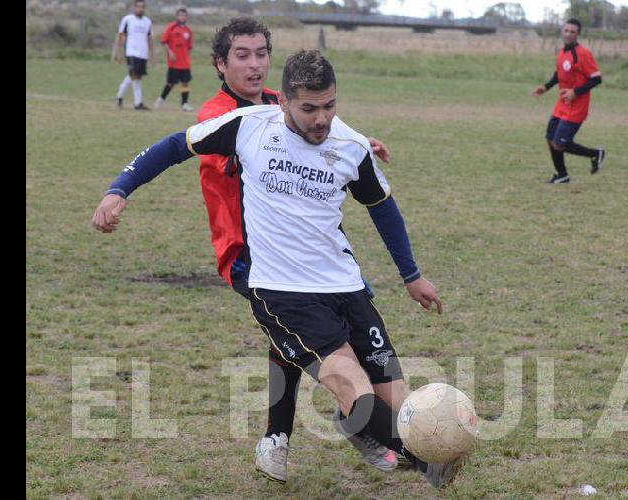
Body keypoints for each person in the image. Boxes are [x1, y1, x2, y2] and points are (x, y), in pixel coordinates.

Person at [93, 49, 464, 489]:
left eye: (329, 105)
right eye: (309, 108)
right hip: (281, 289)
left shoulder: (349, 145)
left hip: (345, 285)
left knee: (394, 398)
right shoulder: (250, 126)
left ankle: (364, 428)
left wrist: (411, 275)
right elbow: (175, 146)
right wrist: (119, 190)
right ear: (283, 102)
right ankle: (429, 461)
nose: (321, 119)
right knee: (353, 388)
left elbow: (382, 207)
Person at [532, 18, 606, 184]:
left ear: (577, 34)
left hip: (577, 106)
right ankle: (562, 175)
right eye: (566, 31)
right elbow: (559, 74)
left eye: (572, 32)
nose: (568, 34)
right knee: (551, 138)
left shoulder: (583, 54)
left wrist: (575, 92)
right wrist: (546, 87)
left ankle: (595, 154)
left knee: (559, 144)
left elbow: (597, 79)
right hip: (562, 104)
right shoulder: (562, 52)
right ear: (562, 32)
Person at [112, 0, 154, 110]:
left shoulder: (147, 21)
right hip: (131, 52)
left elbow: (149, 38)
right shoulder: (128, 19)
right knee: (134, 75)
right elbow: (121, 36)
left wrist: (152, 55)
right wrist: (118, 52)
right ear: (134, 7)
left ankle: (132, 101)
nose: (140, 9)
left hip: (143, 53)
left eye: (142, 7)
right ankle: (126, 99)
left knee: (137, 77)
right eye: (138, 7)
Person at [155, 8, 195, 111]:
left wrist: (186, 57)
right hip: (174, 63)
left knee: (185, 82)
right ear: (177, 16)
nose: (183, 17)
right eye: (181, 15)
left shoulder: (188, 31)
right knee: (171, 83)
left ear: (187, 17)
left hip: (185, 63)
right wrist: (170, 52)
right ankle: (161, 99)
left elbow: (189, 47)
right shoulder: (171, 27)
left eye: (184, 15)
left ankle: (184, 103)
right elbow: (163, 41)